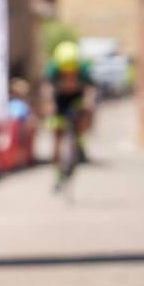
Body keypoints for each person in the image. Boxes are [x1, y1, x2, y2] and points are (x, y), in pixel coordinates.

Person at [40, 40, 96, 183]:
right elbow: (46, 89)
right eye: (66, 73)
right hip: (60, 99)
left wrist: (88, 104)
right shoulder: (53, 69)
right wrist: (49, 103)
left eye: (72, 72)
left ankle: (79, 141)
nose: (69, 75)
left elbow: (91, 89)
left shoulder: (83, 68)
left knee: (85, 114)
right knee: (57, 135)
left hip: (76, 98)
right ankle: (57, 173)